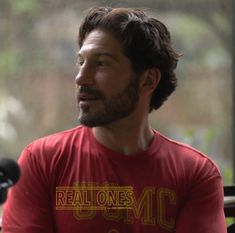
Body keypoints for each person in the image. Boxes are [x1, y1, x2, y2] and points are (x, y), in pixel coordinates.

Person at [2, 6, 226, 233]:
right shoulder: (42, 161)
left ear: (147, 80)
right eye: (81, 62)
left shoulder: (195, 174)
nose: (81, 78)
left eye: (101, 63)